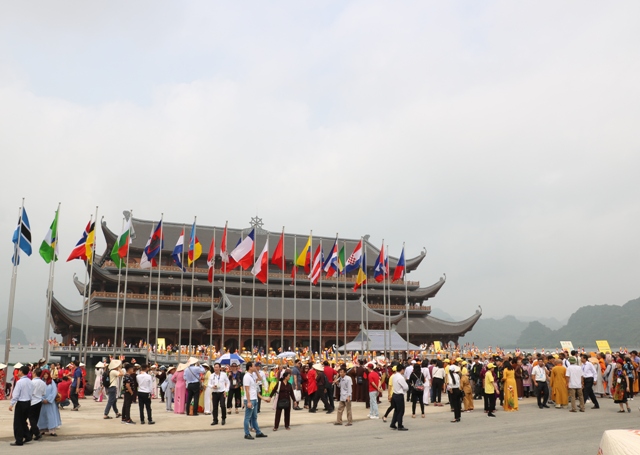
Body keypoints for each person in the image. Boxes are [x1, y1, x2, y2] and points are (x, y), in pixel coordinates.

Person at [243, 361, 270, 440]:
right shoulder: (247, 376)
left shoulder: (252, 375)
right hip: (250, 399)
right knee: (247, 417)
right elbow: (247, 390)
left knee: (254, 417)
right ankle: (246, 433)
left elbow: (260, 379)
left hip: (255, 399)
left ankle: (258, 432)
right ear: (250, 367)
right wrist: (248, 401)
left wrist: (257, 371)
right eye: (253, 366)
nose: (255, 367)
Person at [9, 365, 33, 446]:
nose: (18, 372)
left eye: (19, 371)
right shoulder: (30, 381)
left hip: (21, 403)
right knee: (23, 421)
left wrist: (11, 404)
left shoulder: (19, 382)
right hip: (28, 402)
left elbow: (16, 394)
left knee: (18, 422)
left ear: (22, 372)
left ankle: (19, 440)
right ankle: (27, 435)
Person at [37, 369, 61, 437]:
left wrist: (48, 399)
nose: (46, 375)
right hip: (42, 402)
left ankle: (52, 430)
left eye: (47, 374)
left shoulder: (52, 382)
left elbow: (54, 391)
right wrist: (42, 399)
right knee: (42, 416)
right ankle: (42, 429)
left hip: (50, 402)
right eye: (44, 374)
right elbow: (37, 391)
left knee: (51, 416)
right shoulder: (40, 382)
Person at [28, 367, 46, 440]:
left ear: (35, 373)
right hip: (39, 401)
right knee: (35, 419)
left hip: (32, 401)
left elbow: (29, 393)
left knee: (31, 419)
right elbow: (43, 393)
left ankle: (37, 433)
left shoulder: (32, 382)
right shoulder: (43, 383)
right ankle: (30, 434)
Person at [390, 363, 408, 431]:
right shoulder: (400, 377)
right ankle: (400, 425)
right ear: (402, 370)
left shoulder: (394, 376)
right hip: (399, 395)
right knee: (401, 411)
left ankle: (393, 423)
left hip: (394, 394)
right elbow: (406, 387)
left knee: (396, 410)